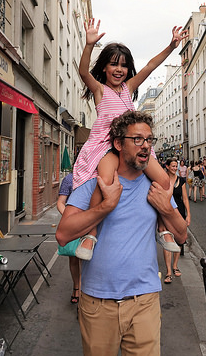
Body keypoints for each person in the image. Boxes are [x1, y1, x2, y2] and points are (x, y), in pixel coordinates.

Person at [56, 111, 188, 356]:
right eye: (137, 139)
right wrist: (105, 206)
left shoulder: (155, 187)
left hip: (145, 302)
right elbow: (63, 233)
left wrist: (169, 210)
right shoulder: (96, 185)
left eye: (149, 140)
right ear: (118, 144)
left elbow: (182, 236)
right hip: (97, 303)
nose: (146, 145)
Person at [74, 18, 188, 259]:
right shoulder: (99, 90)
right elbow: (83, 71)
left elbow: (149, 66)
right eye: (113, 64)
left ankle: (162, 228)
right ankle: (90, 234)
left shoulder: (128, 88)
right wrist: (88, 45)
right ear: (104, 67)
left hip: (134, 146)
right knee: (104, 181)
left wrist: (171, 46)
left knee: (165, 182)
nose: (119, 69)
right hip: (107, 147)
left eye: (124, 66)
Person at [163, 158, 191, 284]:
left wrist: (188, 214)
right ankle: (168, 272)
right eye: (173, 166)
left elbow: (185, 199)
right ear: (167, 166)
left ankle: (175, 266)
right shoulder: (163, 179)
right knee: (167, 240)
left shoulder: (181, 180)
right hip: (166, 213)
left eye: (176, 166)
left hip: (179, 213)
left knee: (179, 240)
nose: (175, 168)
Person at [57, 172, 81, 304]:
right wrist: (69, 218)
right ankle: (76, 286)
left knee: (87, 260)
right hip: (73, 225)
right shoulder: (69, 179)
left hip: (93, 223)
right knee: (73, 258)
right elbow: (61, 202)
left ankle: (84, 292)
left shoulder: (98, 176)